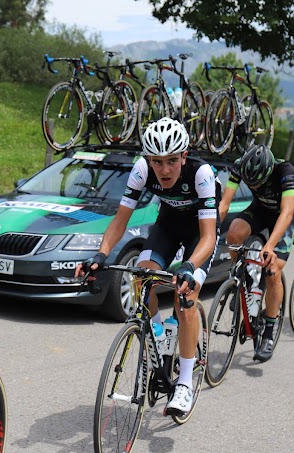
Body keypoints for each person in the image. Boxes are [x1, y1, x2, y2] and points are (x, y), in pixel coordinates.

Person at [75, 117, 220, 416]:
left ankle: (184, 383)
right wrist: (101, 255)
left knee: (185, 298)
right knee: (143, 277)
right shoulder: (142, 170)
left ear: (183, 156)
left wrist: (190, 266)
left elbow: (208, 235)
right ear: (148, 159)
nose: (164, 170)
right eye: (157, 162)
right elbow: (120, 219)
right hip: (167, 226)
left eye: (170, 161)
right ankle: (158, 334)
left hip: (199, 234)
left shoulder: (201, 174)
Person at [218, 144, 294, 363]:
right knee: (234, 233)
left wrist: (270, 245)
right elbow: (224, 203)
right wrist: (212, 229)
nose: (254, 185)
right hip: (261, 209)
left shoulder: (285, 172)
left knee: (272, 271)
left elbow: (288, 211)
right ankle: (240, 278)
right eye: (250, 182)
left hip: (282, 216)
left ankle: (269, 332)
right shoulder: (238, 166)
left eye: (259, 182)